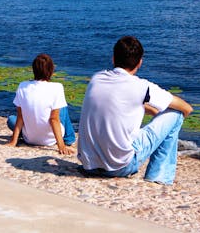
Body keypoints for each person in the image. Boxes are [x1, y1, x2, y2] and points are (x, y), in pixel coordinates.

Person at [77, 36, 193, 185]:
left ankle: (158, 176)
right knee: (176, 115)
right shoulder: (141, 87)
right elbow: (186, 108)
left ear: (113, 59)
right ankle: (159, 177)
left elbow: (119, 103)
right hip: (120, 166)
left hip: (89, 165)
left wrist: (151, 111)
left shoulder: (96, 79)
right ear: (140, 63)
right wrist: (161, 117)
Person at [6, 54, 75, 155]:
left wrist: (13, 142)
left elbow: (20, 117)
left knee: (12, 119)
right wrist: (61, 146)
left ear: (34, 70)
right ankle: (69, 139)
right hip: (50, 140)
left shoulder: (22, 86)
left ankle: (21, 136)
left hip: (29, 139)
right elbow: (53, 119)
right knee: (62, 107)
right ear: (51, 70)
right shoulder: (57, 87)